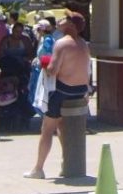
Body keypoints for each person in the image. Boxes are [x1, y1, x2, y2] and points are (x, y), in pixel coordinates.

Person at [25, 12, 91, 179]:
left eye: (65, 18)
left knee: (47, 129)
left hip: (62, 91)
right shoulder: (83, 44)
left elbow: (52, 70)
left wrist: (44, 62)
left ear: (71, 25)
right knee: (61, 126)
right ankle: (67, 164)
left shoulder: (62, 44)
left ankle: (38, 169)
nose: (61, 20)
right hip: (79, 91)